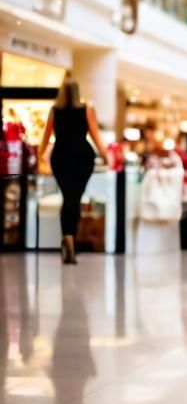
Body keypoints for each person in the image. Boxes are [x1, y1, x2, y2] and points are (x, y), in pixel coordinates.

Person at [39, 77, 109, 265]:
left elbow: (45, 139)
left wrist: (39, 158)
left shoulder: (55, 111)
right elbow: (96, 135)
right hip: (82, 158)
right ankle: (71, 239)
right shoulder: (86, 110)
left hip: (61, 157)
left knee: (67, 197)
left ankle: (67, 238)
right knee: (75, 198)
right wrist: (107, 155)